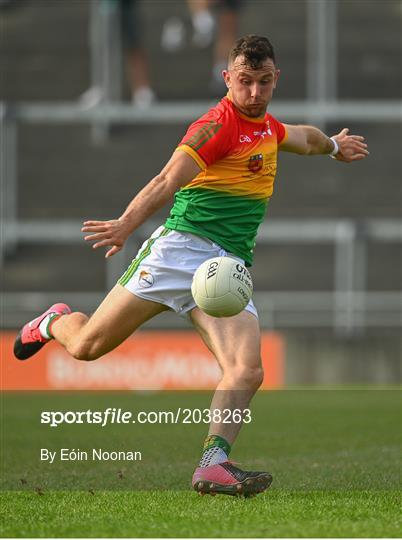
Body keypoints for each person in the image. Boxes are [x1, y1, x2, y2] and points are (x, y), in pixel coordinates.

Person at [14, 35, 369, 497]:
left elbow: (304, 137)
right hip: (177, 254)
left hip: (225, 270)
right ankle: (54, 322)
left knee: (247, 369)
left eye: (264, 82)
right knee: (85, 347)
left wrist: (336, 147)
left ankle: (214, 462)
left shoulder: (268, 129)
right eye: (245, 82)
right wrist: (125, 224)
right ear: (228, 79)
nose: (255, 93)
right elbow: (166, 178)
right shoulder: (215, 126)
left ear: (275, 78)